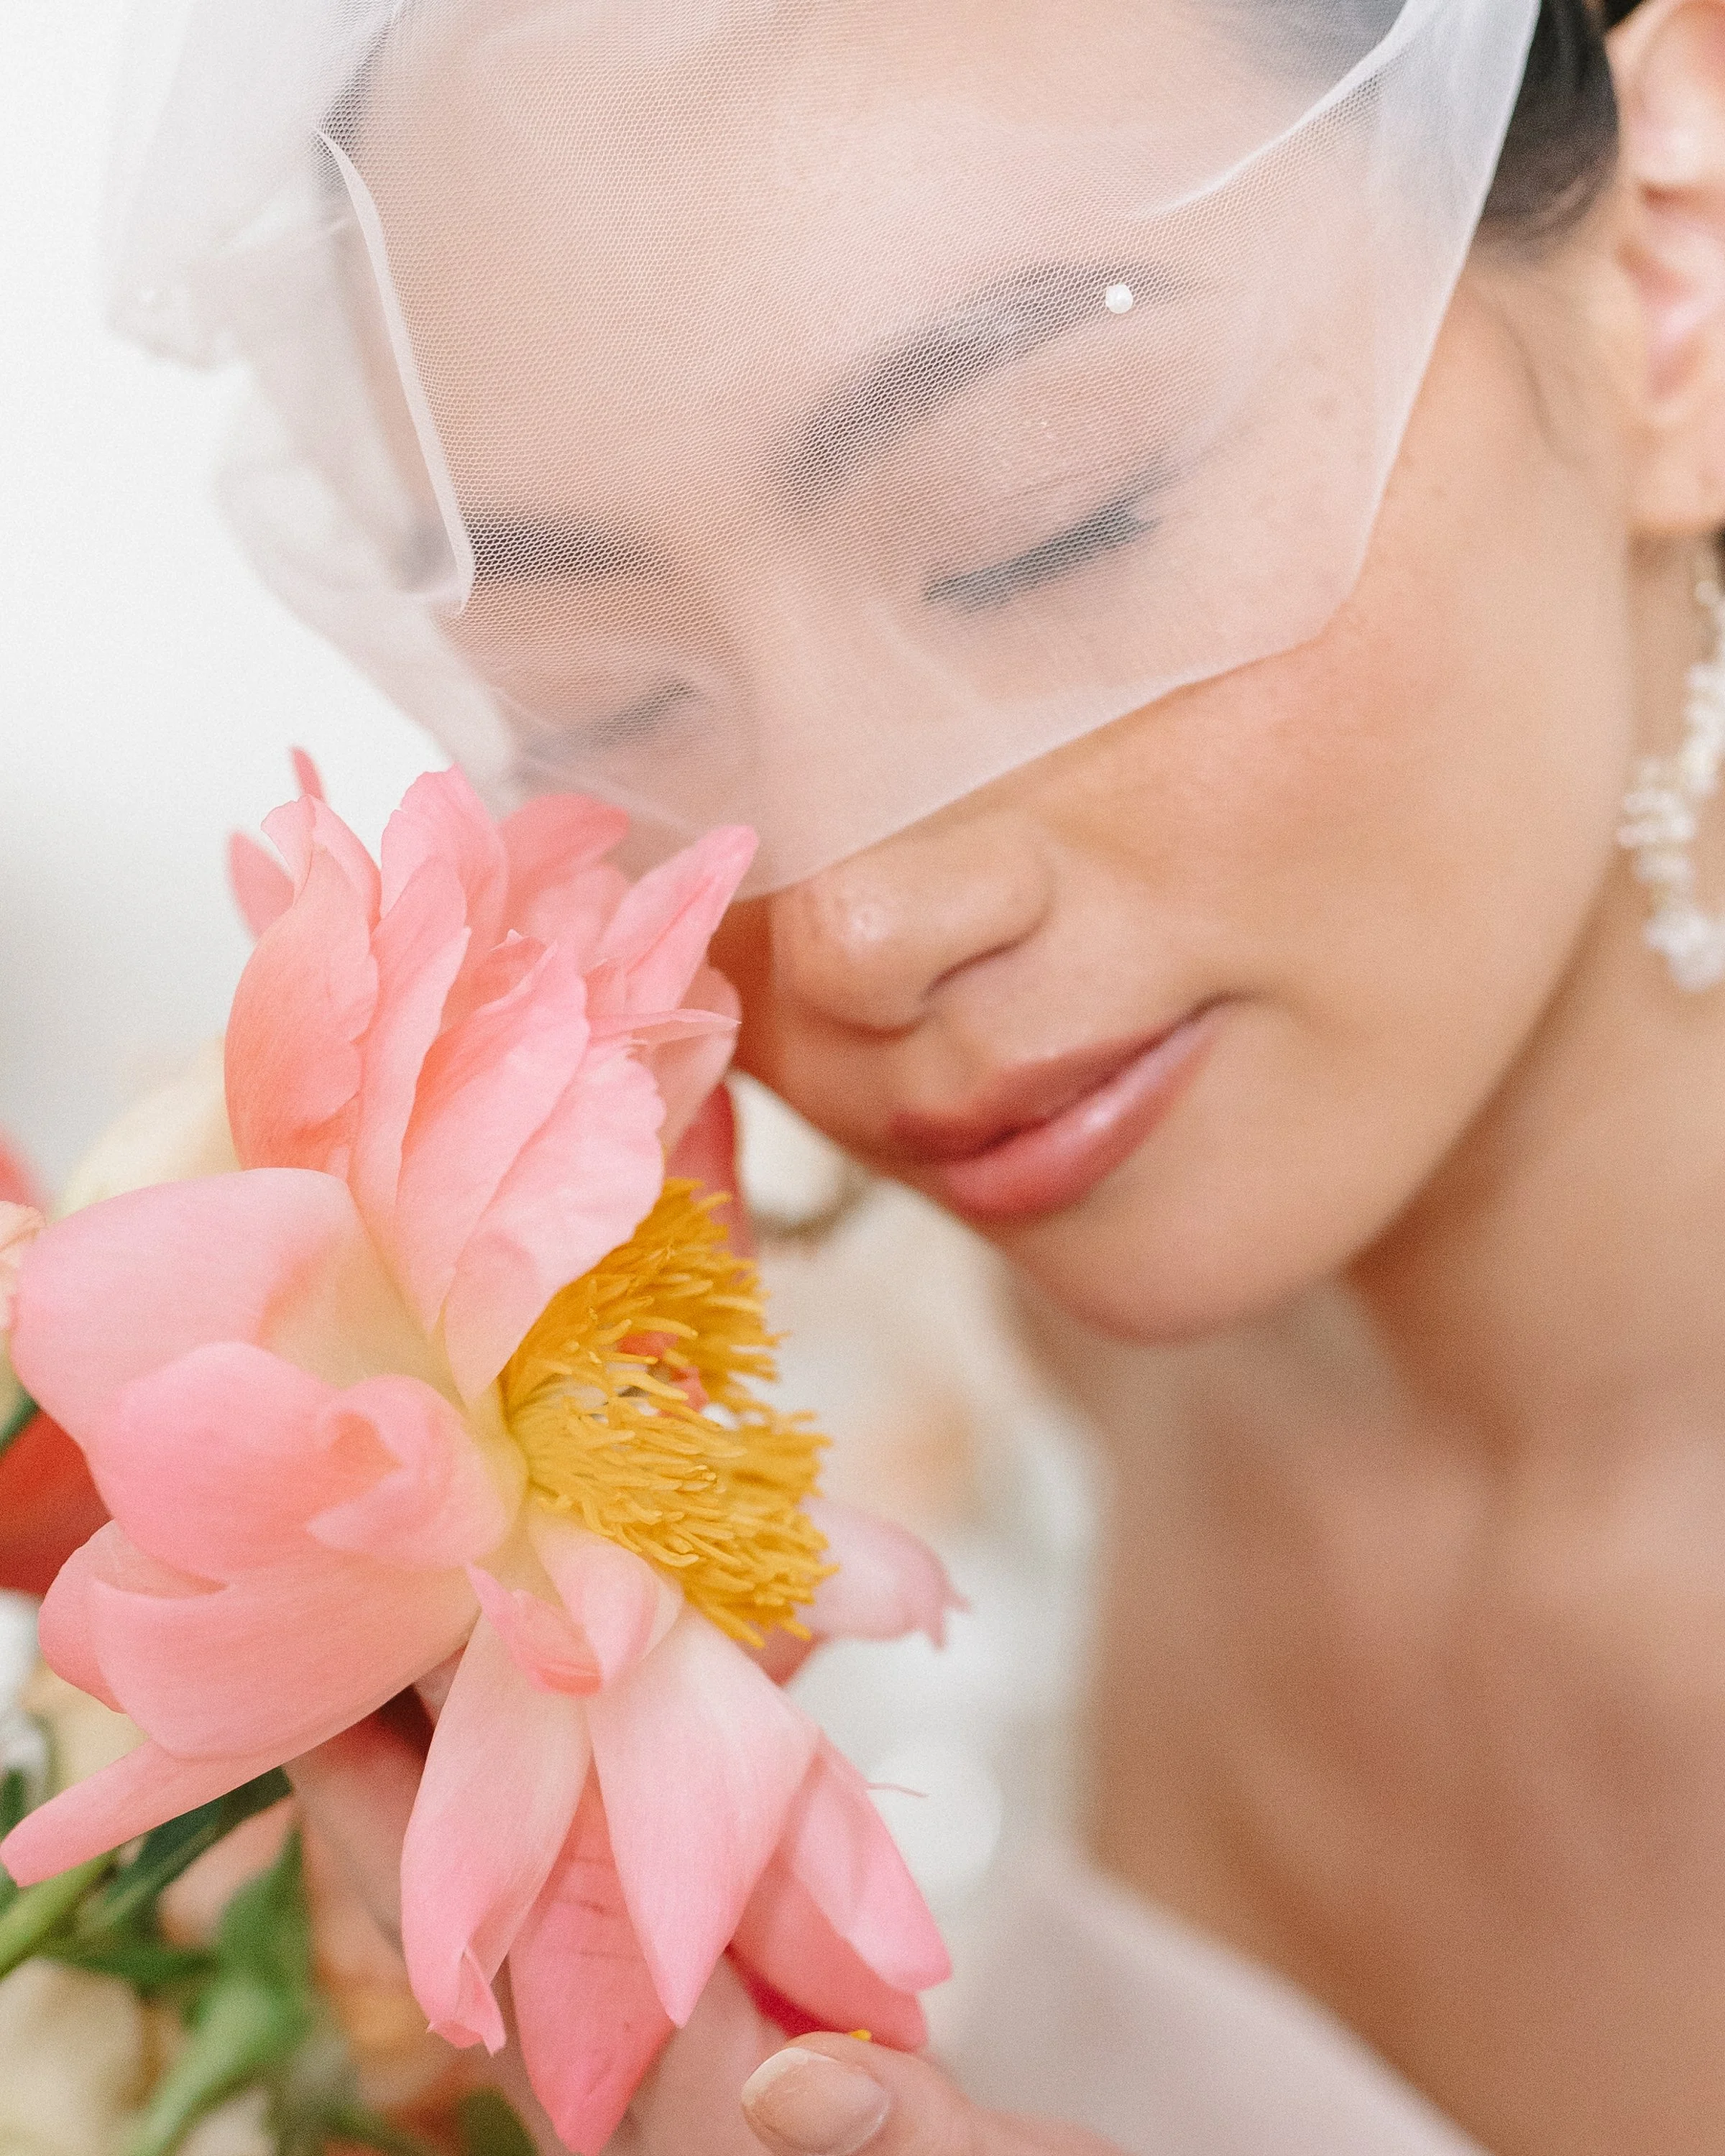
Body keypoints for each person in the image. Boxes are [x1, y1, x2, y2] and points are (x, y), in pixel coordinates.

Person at [101, 0, 1725, 2147]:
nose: (854, 923)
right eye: (615, 695)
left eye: (1045, 525)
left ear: (1672, 269)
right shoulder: (909, 1394)